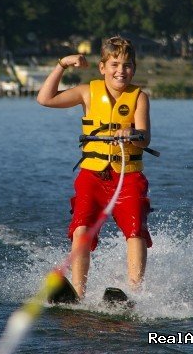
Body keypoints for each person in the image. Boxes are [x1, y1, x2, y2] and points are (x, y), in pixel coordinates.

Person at [36, 36, 153, 299]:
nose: (120, 71)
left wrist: (131, 132)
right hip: (92, 176)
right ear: (102, 67)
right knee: (81, 231)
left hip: (128, 176)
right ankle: (78, 292)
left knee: (135, 231)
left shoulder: (139, 97)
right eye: (114, 64)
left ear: (134, 68)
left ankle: (135, 292)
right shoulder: (87, 92)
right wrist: (62, 65)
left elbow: (145, 137)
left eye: (127, 65)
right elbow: (45, 99)